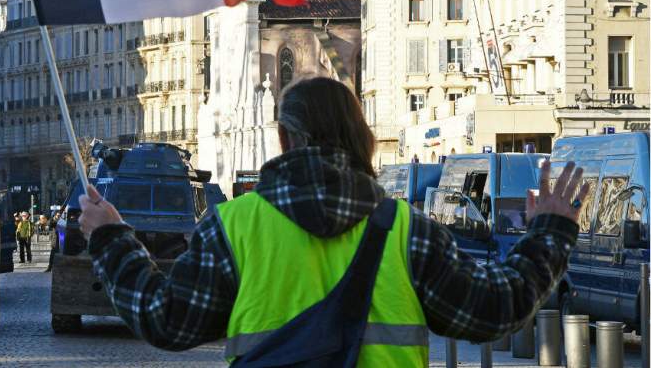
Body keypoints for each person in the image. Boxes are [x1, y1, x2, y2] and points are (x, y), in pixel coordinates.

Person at [79, 77, 588, 366]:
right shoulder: (408, 231)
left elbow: (164, 318)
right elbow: (494, 309)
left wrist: (110, 238)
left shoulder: (233, 227)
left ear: (285, 139)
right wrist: (551, 232)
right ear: (359, 137)